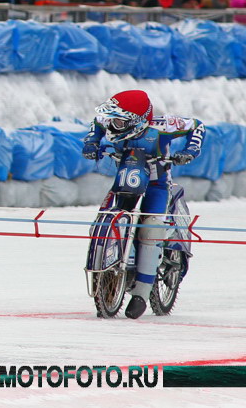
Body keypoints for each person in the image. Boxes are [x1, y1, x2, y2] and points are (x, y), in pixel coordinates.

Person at [82, 90, 204, 319]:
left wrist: (190, 151)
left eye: (119, 121)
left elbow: (197, 126)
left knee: (151, 229)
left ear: (137, 122)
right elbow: (97, 123)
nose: (113, 126)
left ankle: (141, 293)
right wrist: (92, 142)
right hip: (126, 178)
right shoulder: (109, 121)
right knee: (104, 215)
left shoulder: (164, 126)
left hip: (157, 185)